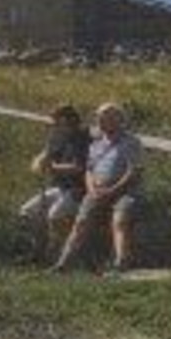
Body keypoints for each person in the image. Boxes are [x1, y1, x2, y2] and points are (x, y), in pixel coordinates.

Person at [52, 102, 143, 273]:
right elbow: (89, 170)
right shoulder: (96, 143)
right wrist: (92, 189)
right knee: (81, 222)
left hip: (124, 191)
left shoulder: (131, 142)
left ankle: (121, 262)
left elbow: (133, 172)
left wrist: (112, 190)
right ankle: (63, 264)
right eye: (99, 118)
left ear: (119, 120)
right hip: (97, 191)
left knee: (120, 220)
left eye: (106, 118)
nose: (101, 122)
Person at [19, 104, 92, 256]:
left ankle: (61, 252)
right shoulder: (57, 136)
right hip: (59, 187)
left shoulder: (84, 139)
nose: (54, 125)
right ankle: (37, 249)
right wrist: (38, 163)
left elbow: (79, 167)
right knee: (27, 212)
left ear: (67, 120)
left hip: (79, 189)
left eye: (57, 122)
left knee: (55, 215)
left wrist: (53, 168)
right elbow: (44, 154)